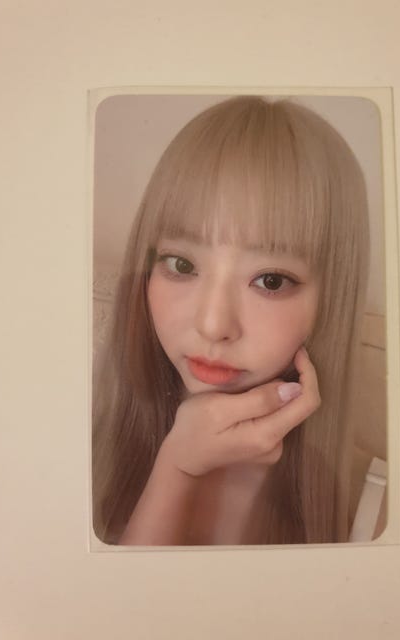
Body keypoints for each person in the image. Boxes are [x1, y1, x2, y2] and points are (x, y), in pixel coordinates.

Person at [92, 95, 370, 546]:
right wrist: (177, 468)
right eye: (182, 265)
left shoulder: (374, 505)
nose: (213, 325)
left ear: (331, 301)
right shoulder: (77, 432)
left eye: (271, 280)